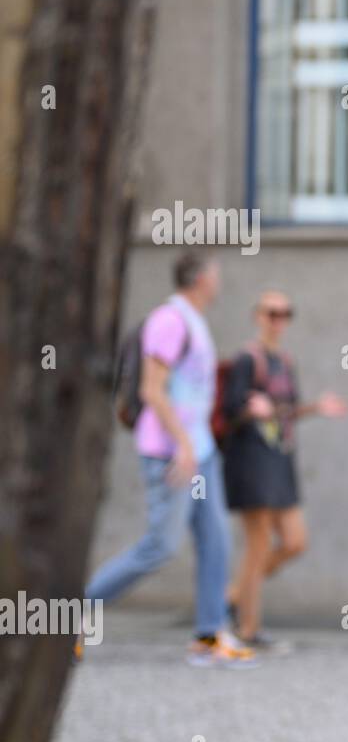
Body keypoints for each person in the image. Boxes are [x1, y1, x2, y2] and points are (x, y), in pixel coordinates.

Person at [86, 251, 255, 668]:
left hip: (201, 454)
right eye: (215, 272)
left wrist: (197, 447)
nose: (219, 280)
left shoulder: (195, 321)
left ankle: (209, 635)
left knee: (215, 539)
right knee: (160, 546)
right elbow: (151, 390)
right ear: (199, 278)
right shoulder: (170, 321)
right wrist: (181, 445)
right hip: (171, 454)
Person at [223, 290, 347, 647]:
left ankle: (233, 597)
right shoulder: (247, 360)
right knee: (258, 544)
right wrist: (251, 409)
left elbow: (285, 410)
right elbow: (232, 409)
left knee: (295, 541)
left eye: (285, 313)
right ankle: (248, 630)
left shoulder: (285, 361)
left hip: (280, 458)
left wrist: (316, 408)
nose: (279, 320)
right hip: (251, 459)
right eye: (271, 313)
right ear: (257, 316)